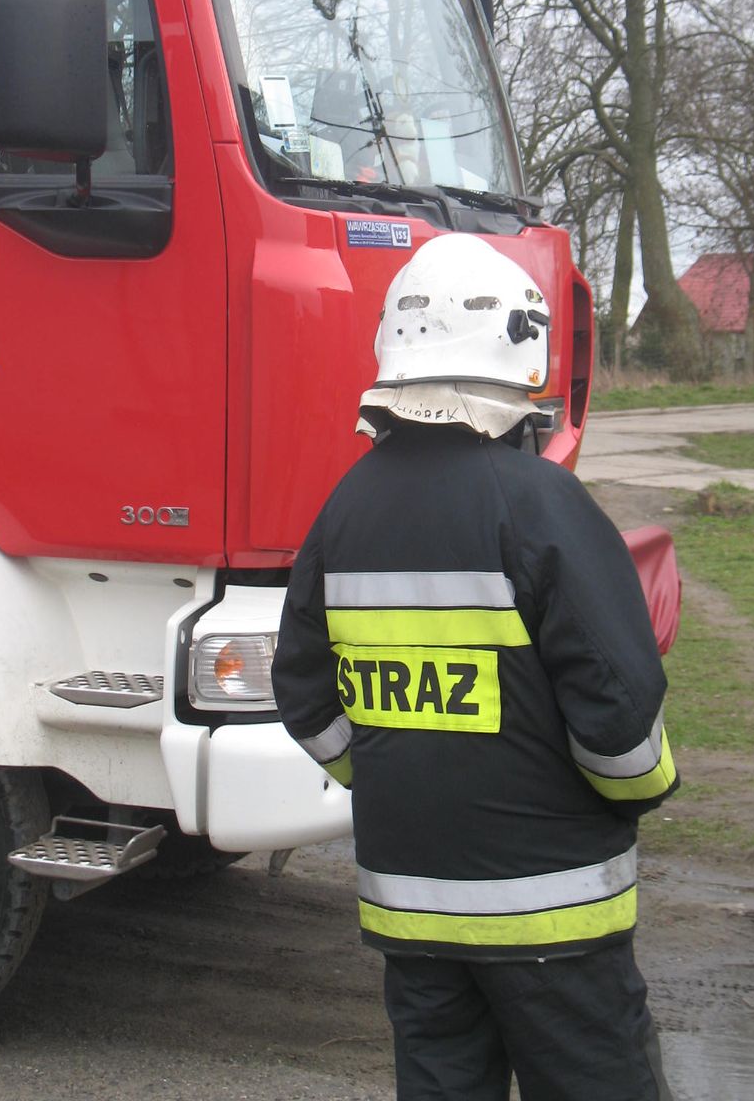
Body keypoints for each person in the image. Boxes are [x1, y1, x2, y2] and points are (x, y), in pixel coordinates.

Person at [271, 231, 678, 1101]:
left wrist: (389, 768)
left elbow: (303, 695)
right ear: (520, 352)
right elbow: (619, 713)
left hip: (412, 912)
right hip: (556, 913)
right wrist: (637, 789)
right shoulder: (542, 502)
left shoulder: (344, 508)